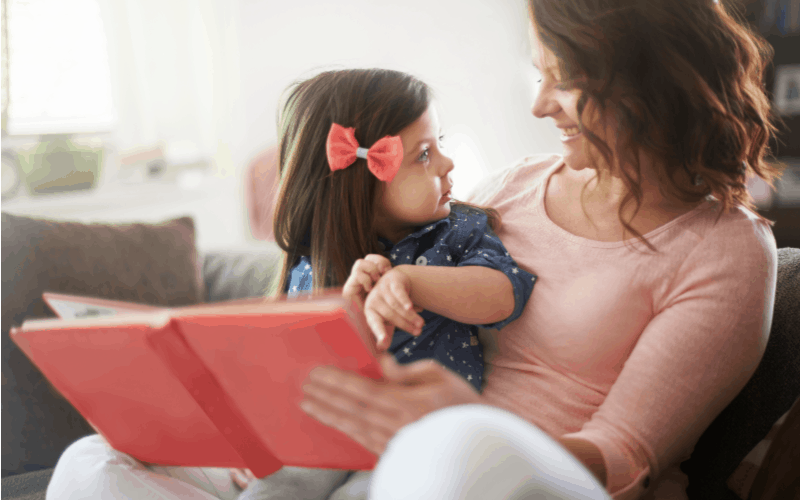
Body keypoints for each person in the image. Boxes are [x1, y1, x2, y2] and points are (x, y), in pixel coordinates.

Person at [295, 1, 782, 500]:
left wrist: (474, 437)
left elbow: (625, 458)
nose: (540, 105)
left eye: (565, 79)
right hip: (416, 464)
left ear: (650, 80)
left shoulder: (727, 250)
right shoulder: (515, 185)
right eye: (539, 76)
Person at [45, 69, 535, 500]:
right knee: (89, 461)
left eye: (440, 145)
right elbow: (276, 378)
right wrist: (247, 437)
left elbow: (503, 293)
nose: (447, 164)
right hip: (312, 447)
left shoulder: (459, 231)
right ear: (361, 182)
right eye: (425, 155)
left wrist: (411, 281)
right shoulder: (311, 265)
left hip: (407, 445)